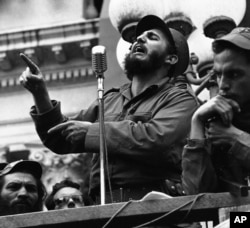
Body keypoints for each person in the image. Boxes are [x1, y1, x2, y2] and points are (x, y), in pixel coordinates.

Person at [20, 15, 198, 204]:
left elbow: (158, 138)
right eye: (138, 37)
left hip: (155, 207)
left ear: (171, 58)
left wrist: (91, 132)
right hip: (104, 206)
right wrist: (40, 93)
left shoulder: (180, 98)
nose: (139, 38)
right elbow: (60, 136)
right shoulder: (109, 99)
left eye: (152, 37)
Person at [182, 27, 250, 195]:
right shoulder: (215, 122)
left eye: (234, 74)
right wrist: (196, 122)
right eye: (218, 75)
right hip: (237, 220)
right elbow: (196, 196)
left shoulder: (225, 131)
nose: (222, 85)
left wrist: (235, 138)